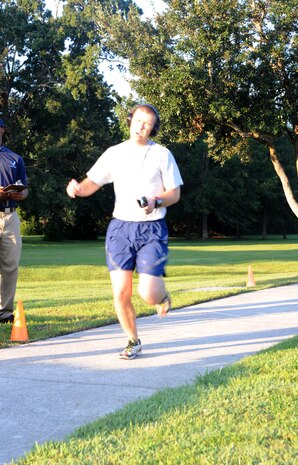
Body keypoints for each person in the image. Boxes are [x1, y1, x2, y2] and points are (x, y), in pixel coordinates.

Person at [66, 104, 183, 359]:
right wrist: (76, 189)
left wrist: (156, 201)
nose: (142, 126)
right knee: (121, 293)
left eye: (148, 123)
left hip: (152, 228)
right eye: (138, 120)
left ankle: (162, 296)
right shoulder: (114, 153)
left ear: (153, 128)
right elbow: (92, 183)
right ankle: (133, 340)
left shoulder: (162, 154)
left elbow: (174, 193)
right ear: (130, 120)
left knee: (148, 294)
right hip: (120, 228)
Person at [0, 118, 28, 324]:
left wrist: (21, 194)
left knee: (10, 266)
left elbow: (24, 188)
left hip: (10, 216)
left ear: (2, 130)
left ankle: (5, 313)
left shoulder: (14, 158)